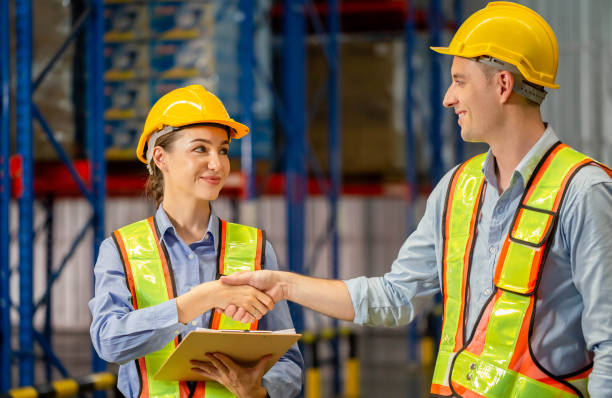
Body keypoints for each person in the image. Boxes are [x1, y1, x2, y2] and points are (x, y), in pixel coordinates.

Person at [218, 2, 612, 397]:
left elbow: (609, 346)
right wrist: (284, 285)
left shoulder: (583, 192)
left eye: (459, 80)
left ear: (503, 85)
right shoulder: (457, 189)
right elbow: (395, 297)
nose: (447, 98)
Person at [89, 85, 303, 398]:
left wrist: (260, 390)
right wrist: (200, 300)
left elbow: (288, 362)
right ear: (161, 158)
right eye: (200, 149)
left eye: (223, 150)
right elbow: (110, 342)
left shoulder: (256, 248)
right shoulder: (120, 249)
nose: (217, 164)